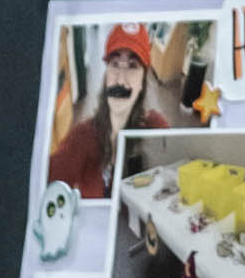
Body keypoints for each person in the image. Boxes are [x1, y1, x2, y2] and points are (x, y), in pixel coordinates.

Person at [49, 23, 161, 202]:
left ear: (142, 82)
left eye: (132, 66)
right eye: (115, 64)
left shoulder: (155, 127)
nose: (121, 79)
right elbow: (46, 182)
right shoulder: (82, 137)